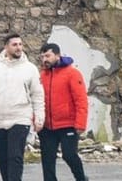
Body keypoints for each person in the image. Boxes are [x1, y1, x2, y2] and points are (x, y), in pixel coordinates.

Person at [0, 33, 45, 181]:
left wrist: (39, 117)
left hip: (20, 117)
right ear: (6, 47)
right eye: (14, 45)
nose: (18, 48)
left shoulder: (30, 68)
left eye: (20, 44)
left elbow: (37, 95)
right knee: (2, 157)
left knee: (15, 156)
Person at [38, 42, 89, 180]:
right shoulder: (42, 75)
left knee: (69, 155)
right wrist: (36, 120)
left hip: (67, 124)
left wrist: (80, 123)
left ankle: (81, 178)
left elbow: (81, 100)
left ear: (57, 55)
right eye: (42, 57)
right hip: (47, 126)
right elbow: (37, 99)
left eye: (48, 56)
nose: (44, 60)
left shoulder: (72, 73)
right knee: (47, 159)